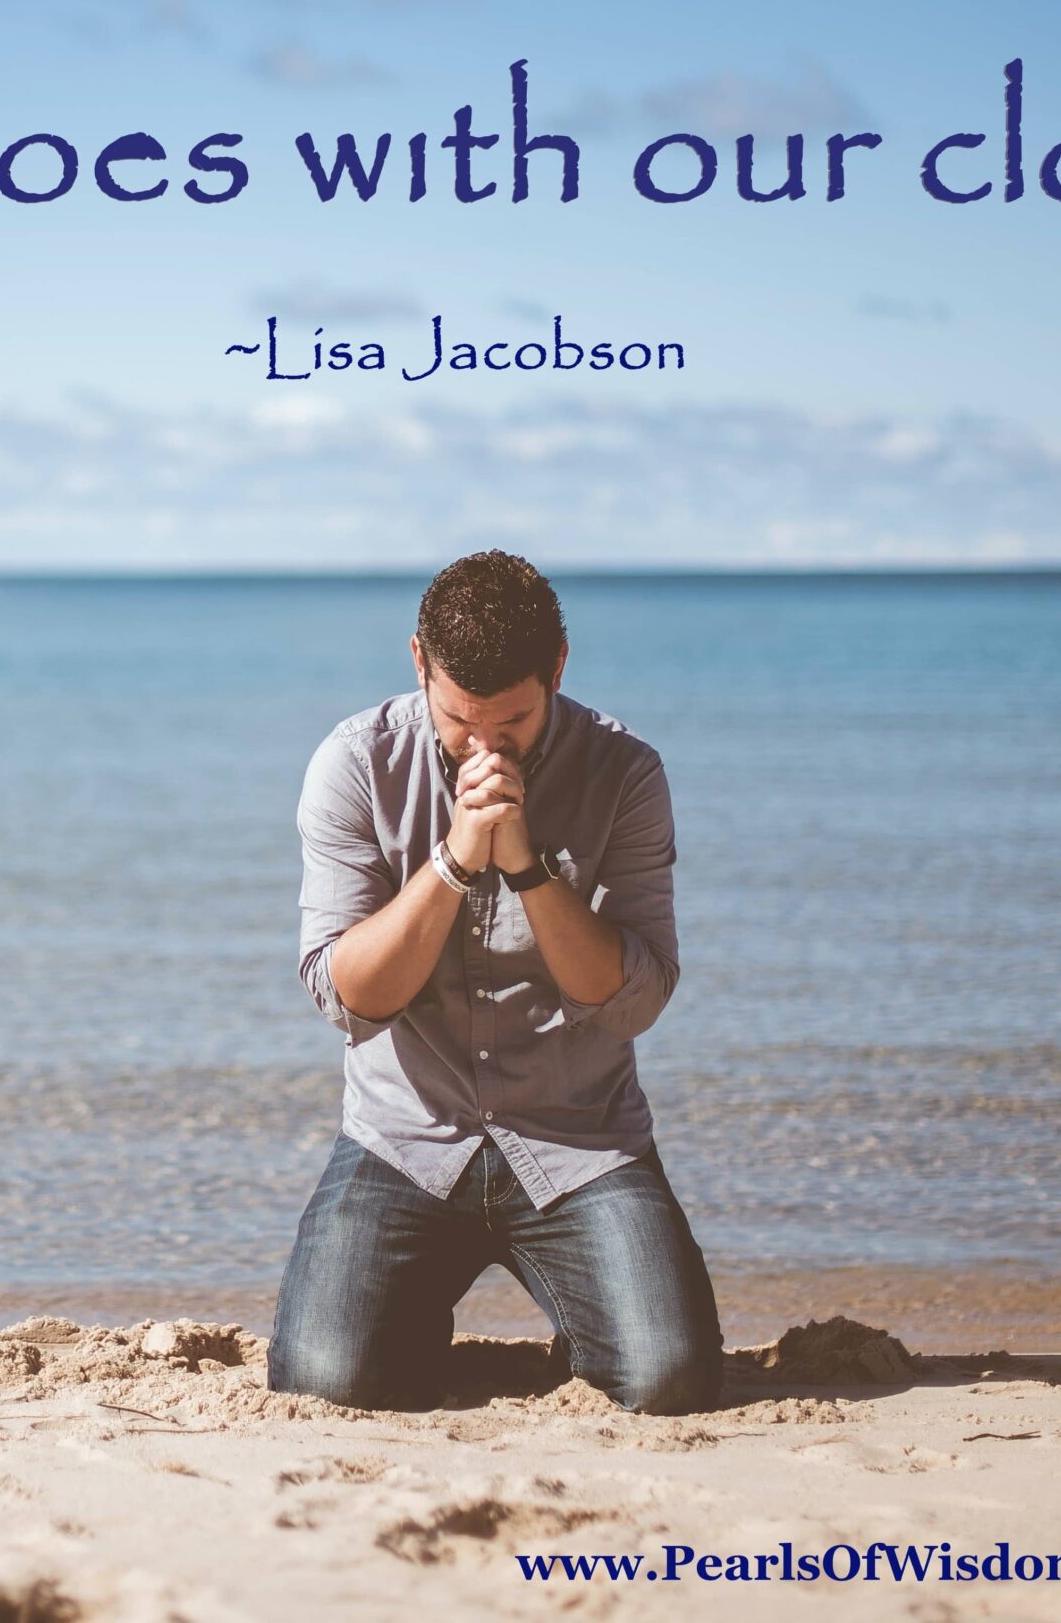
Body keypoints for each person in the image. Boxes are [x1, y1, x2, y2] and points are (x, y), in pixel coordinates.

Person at [265, 549, 725, 1414]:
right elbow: (347, 996)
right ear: (418, 665)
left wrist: (526, 868)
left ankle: (580, 1312)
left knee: (670, 1382)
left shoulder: (625, 773)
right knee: (321, 1386)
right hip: (403, 1140)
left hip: (579, 1141)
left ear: (556, 668)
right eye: (458, 720)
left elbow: (633, 1000)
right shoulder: (357, 762)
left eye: (511, 722)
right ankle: (408, 1320)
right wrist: (450, 861)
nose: (484, 748)